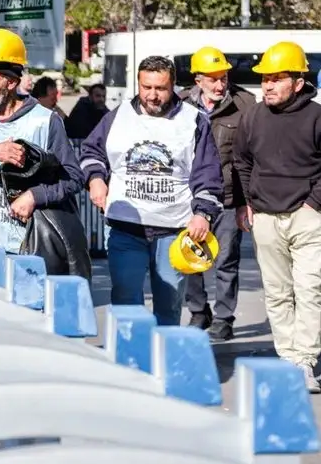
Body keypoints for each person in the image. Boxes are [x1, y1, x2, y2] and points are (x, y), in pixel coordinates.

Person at [79, 55, 222, 327]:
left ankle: (162, 366)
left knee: (169, 307)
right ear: (138, 84)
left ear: (174, 86)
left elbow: (208, 173)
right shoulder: (118, 116)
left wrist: (203, 213)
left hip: (174, 230)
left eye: (161, 88)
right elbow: (91, 151)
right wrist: (96, 179)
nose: (153, 96)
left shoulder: (194, 121)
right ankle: (127, 364)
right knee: (125, 302)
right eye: (146, 87)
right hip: (125, 227)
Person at [0, 28, 89, 278]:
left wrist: (35, 196)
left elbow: (74, 178)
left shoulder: (45, 121)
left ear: (12, 82)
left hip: (30, 248)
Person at [233, 41, 321, 392]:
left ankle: (305, 360)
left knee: (310, 288)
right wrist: (245, 203)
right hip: (265, 216)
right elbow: (241, 161)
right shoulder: (253, 116)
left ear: (298, 82)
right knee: (277, 292)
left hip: (308, 216)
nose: (267, 85)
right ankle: (288, 357)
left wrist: (314, 203)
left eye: (276, 78)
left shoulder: (316, 117)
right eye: (264, 78)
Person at [179, 46, 256, 340]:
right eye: (212, 79)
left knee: (226, 259)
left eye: (223, 77)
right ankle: (199, 312)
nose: (219, 84)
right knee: (190, 258)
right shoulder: (181, 104)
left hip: (228, 197)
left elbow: (251, 156)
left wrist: (245, 202)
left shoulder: (244, 104)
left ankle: (224, 317)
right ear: (198, 80)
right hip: (190, 197)